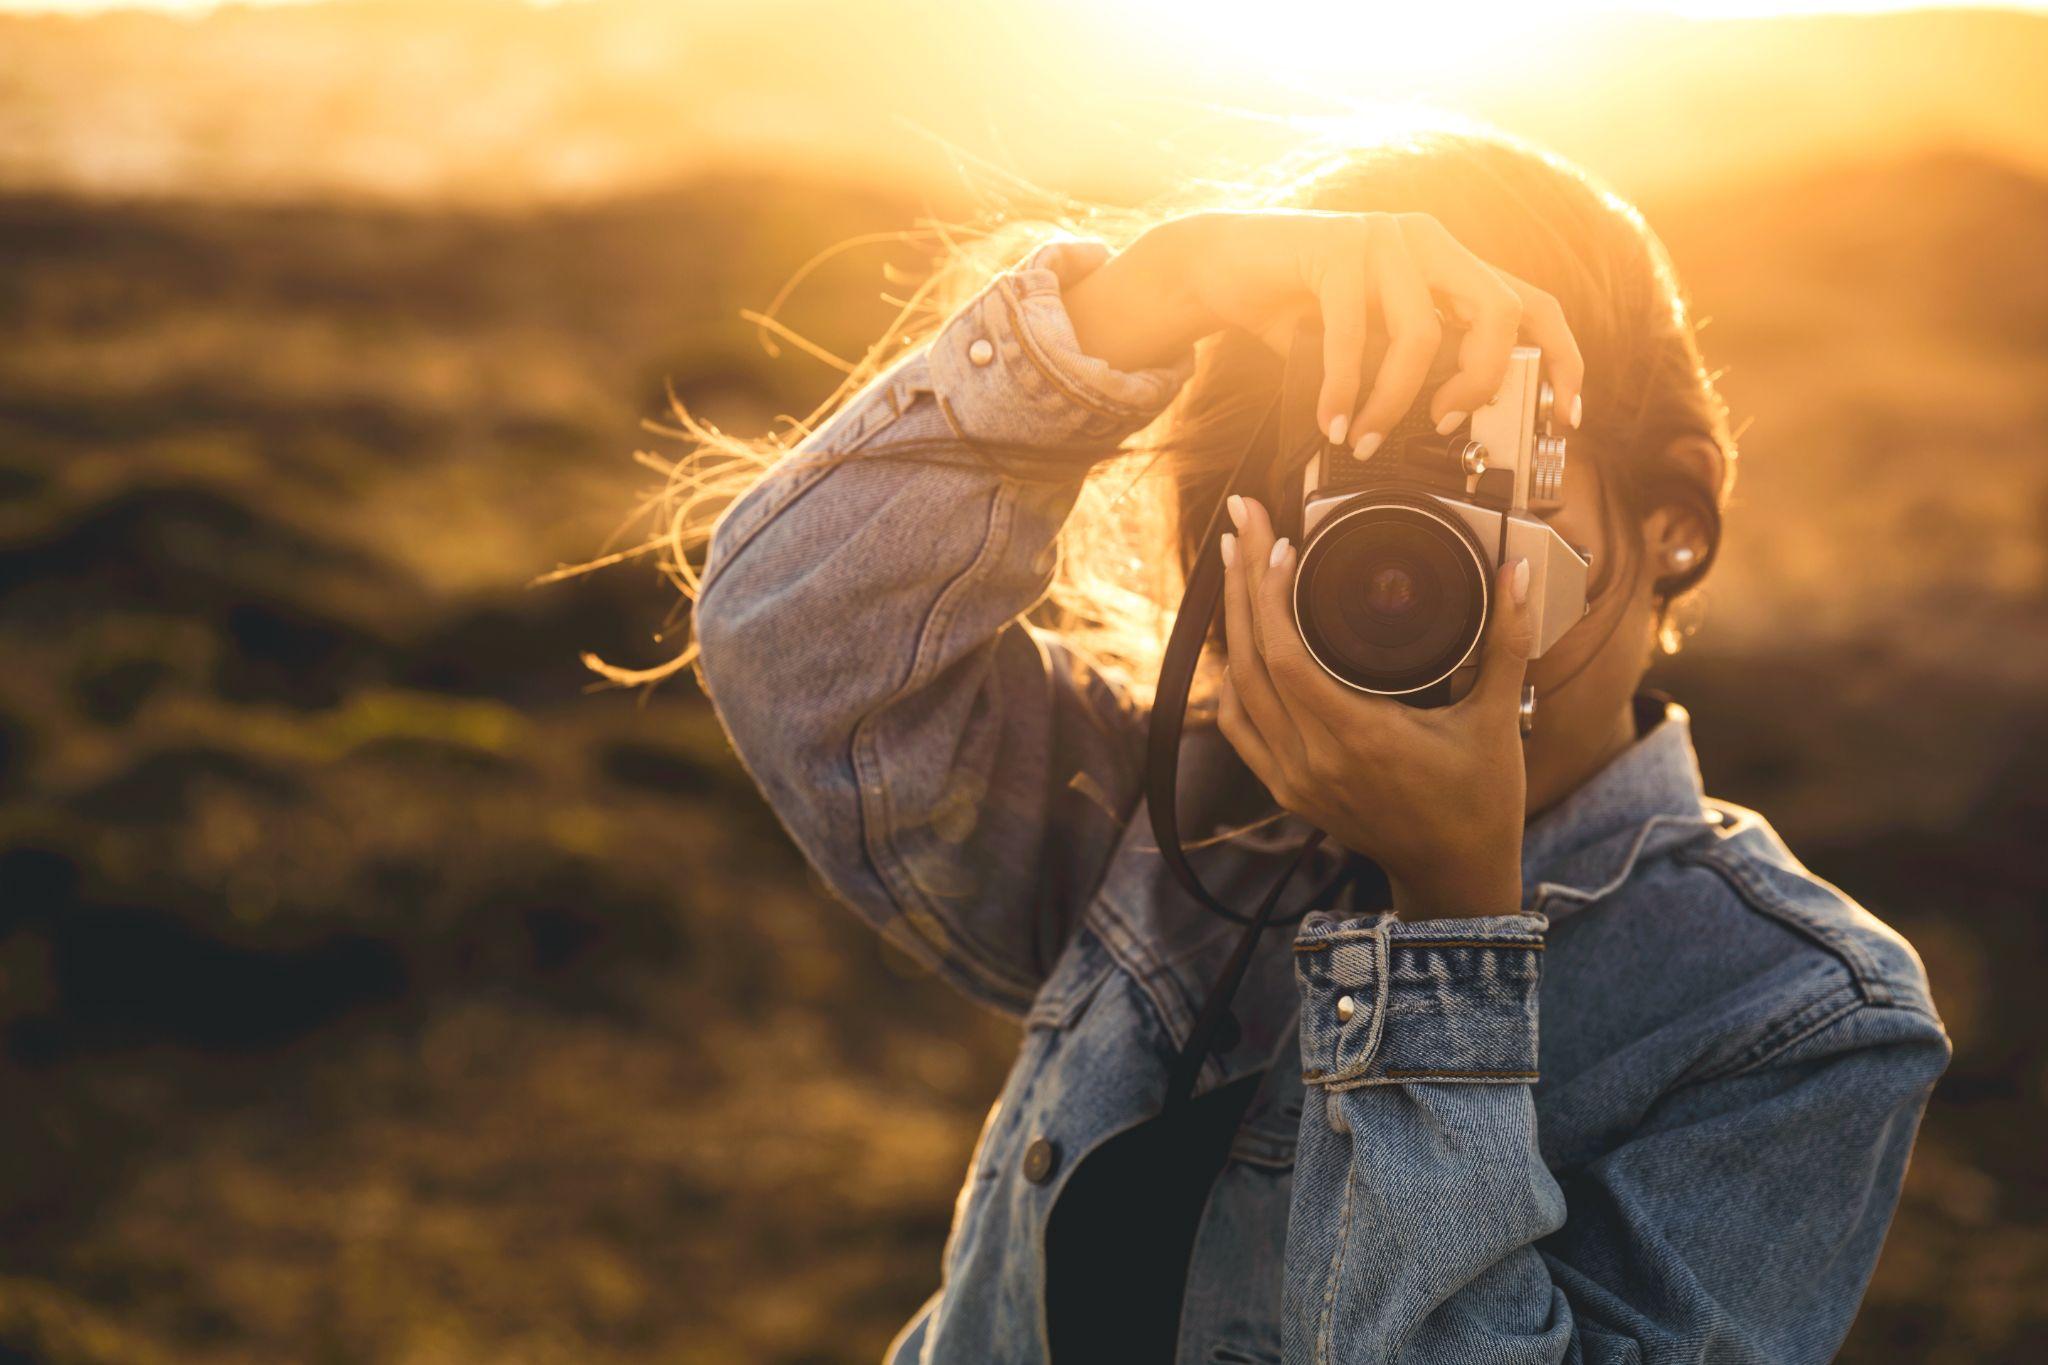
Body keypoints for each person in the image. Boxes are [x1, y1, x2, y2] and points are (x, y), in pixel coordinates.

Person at [675, 129, 1948, 1363]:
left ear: (1671, 517)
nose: (1404, 555)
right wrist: (1152, 292)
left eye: (1479, 481)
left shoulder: (1790, 1018)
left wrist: (1451, 928)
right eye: (1350, 495)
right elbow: (796, 641)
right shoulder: (1170, 806)